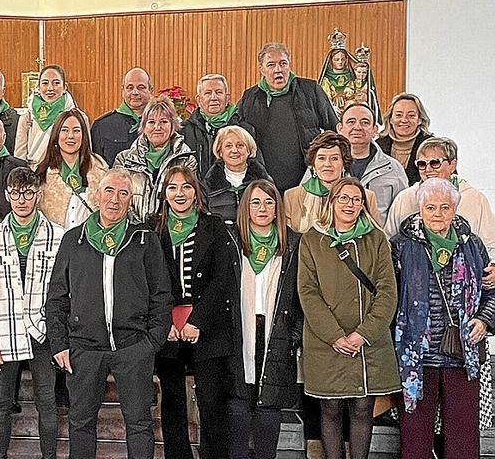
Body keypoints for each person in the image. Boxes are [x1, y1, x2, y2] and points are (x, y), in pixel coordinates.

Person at [47, 168, 171, 459]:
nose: (115, 199)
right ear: (97, 195)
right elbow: (56, 297)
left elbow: (162, 295)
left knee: (139, 424)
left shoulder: (144, 240)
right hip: (84, 349)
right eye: (109, 191)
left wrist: (151, 343)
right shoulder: (73, 240)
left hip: (133, 348)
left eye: (123, 193)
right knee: (81, 423)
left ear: (130, 200)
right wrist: (60, 343)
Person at [391, 178, 495, 459]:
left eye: (444, 207)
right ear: (420, 209)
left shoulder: (472, 245)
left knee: (463, 440)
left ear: (455, 209)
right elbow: (388, 295)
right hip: (416, 356)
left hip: (462, 354)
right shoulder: (401, 245)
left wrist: (484, 320)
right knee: (415, 439)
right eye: (430, 207)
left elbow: (492, 291)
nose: (437, 213)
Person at [297, 177, 400, 459]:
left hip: (368, 342)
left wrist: (362, 334)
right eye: (343, 198)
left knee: (362, 408)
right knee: (329, 408)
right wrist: (335, 335)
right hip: (326, 340)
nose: (350, 205)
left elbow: (387, 291)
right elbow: (307, 292)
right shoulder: (312, 240)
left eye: (356, 200)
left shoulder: (376, 238)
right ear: (331, 202)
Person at [0, 167, 65, 459]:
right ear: (7, 195)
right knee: (1, 402)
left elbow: (64, 292)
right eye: (15, 193)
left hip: (43, 332)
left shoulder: (58, 236)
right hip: (4, 331)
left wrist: (62, 337)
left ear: (38, 194)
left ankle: (48, 456)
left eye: (28, 193)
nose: (21, 200)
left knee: (46, 401)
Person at [150, 166, 235, 459]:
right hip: (168, 328)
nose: (179, 193)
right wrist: (164, 322)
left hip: (207, 326)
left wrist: (197, 321)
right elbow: (148, 281)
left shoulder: (213, 226)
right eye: (172, 188)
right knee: (173, 404)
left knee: (212, 403)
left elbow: (222, 278)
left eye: (186, 187)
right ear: (164, 194)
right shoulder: (153, 228)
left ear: (195, 191)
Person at [225, 180, 302, 459]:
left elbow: (303, 296)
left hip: (276, 333)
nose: (262, 208)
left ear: (277, 209)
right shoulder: (230, 240)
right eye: (255, 202)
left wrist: (293, 336)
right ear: (245, 207)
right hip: (239, 332)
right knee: (238, 404)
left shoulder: (293, 244)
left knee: (269, 405)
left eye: (269, 202)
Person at [237, 42, 338, 192]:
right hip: (264, 183)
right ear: (261, 69)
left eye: (283, 63)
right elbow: (239, 136)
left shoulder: (310, 90)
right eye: (271, 65)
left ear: (289, 65)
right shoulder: (250, 97)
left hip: (308, 179)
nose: (278, 70)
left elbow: (333, 130)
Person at [385, 137, 495, 259]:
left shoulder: (475, 199)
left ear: (452, 165)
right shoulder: (404, 198)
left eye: (435, 163)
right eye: (422, 164)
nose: (428, 169)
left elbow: (490, 245)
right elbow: (388, 242)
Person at [114, 95, 197, 224]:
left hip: (170, 232)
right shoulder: (124, 160)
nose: (157, 127)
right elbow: (118, 198)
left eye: (163, 122)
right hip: (132, 232)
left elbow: (189, 199)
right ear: (143, 126)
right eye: (151, 122)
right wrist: (139, 228)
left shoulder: (186, 160)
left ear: (173, 125)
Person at [284, 132, 380, 234]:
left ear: (344, 164)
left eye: (334, 158)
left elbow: (377, 240)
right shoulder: (291, 197)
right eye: (321, 158)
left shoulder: (367, 197)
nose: (327, 164)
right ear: (313, 165)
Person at [37, 108, 109, 229]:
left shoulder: (100, 170)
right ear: (56, 134)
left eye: (76, 131)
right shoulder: (42, 172)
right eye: (64, 130)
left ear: (83, 135)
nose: (70, 136)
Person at [337, 102, 408, 218]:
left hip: (379, 235)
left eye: (365, 122)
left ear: (375, 130)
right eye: (351, 122)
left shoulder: (393, 169)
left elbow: (402, 214)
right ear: (340, 128)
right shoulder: (325, 165)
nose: (358, 127)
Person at [182, 73, 259, 178]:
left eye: (218, 92)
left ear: (227, 98)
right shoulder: (184, 131)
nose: (214, 97)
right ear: (199, 99)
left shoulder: (245, 130)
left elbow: (256, 167)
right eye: (208, 93)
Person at [16, 64, 87, 169]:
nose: (50, 88)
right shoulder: (27, 117)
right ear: (38, 88)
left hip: (67, 173)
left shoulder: (80, 118)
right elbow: (20, 156)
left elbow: (86, 152)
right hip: (34, 174)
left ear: (64, 88)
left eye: (56, 83)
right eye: (45, 83)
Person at [200, 125, 272, 223]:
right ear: (220, 152)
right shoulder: (207, 186)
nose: (234, 150)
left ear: (249, 150)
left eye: (240, 145)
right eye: (228, 146)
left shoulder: (265, 183)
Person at [90, 67, 153, 166]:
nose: (135, 92)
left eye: (141, 87)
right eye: (130, 88)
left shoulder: (163, 124)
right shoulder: (102, 126)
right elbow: (96, 166)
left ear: (150, 90)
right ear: (123, 91)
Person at [376, 93, 433, 185]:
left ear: (420, 120)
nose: (404, 120)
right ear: (390, 119)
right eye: (398, 115)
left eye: (411, 116)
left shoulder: (432, 146)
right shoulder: (376, 147)